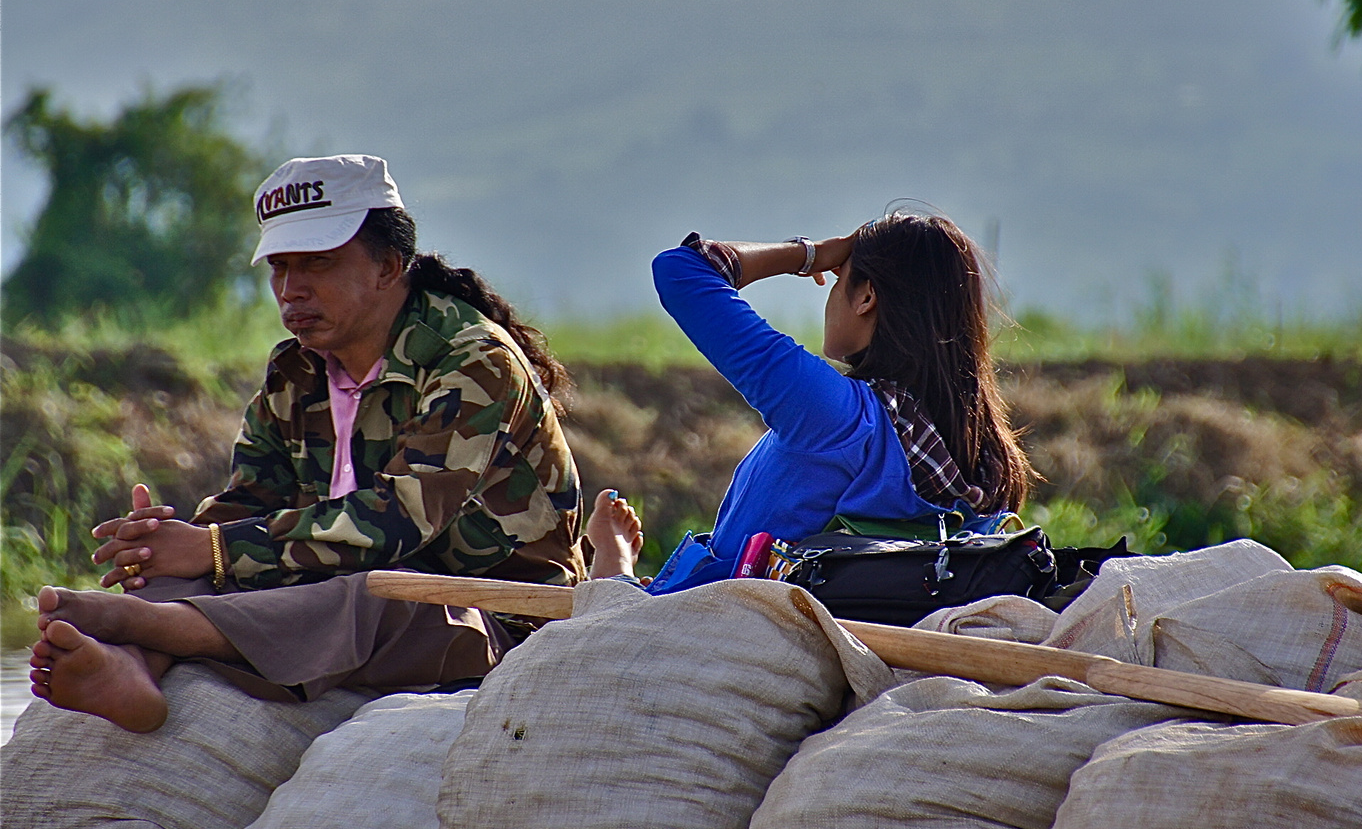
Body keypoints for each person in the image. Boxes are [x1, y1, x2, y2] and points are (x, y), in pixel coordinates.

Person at [29, 154, 585, 732]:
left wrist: (218, 547)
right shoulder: (295, 371)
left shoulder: (473, 362)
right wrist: (171, 544)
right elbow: (250, 500)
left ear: (388, 268)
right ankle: (136, 663)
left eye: (318, 264)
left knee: (375, 595)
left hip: (490, 616)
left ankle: (149, 628)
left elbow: (398, 523)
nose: (292, 290)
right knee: (187, 568)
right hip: (330, 584)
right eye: (279, 268)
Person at [588, 212, 1033, 592]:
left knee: (613, 588)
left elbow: (681, 270)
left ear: (866, 296)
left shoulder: (836, 416)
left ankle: (614, 573)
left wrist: (811, 254)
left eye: (841, 278)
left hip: (730, 619)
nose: (830, 291)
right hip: (853, 627)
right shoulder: (988, 458)